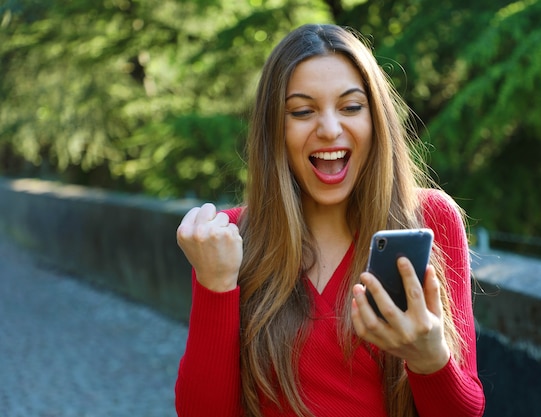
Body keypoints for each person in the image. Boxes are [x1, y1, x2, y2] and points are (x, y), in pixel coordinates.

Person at [175, 23, 485, 417]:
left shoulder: (429, 219)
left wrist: (430, 359)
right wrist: (215, 284)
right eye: (302, 111)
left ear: (376, 119)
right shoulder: (230, 239)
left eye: (351, 107)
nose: (329, 130)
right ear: (275, 128)